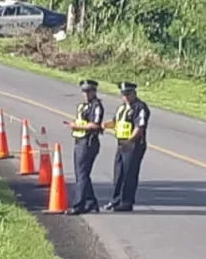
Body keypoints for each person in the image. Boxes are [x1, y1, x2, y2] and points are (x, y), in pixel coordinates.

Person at [103, 82, 151, 212]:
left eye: (128, 94)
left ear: (134, 93)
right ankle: (116, 200)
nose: (126, 97)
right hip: (121, 143)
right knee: (118, 173)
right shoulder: (122, 108)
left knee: (129, 174)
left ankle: (126, 202)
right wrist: (104, 125)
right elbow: (116, 122)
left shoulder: (140, 108)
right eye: (123, 95)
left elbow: (139, 128)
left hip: (134, 144)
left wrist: (130, 141)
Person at [63, 79, 105, 215]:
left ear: (94, 91)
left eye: (88, 91)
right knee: (81, 173)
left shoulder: (96, 106)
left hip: (89, 142)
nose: (86, 94)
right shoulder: (82, 106)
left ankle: (78, 205)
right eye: (84, 91)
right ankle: (91, 202)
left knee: (82, 174)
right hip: (79, 141)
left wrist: (76, 126)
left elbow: (95, 125)